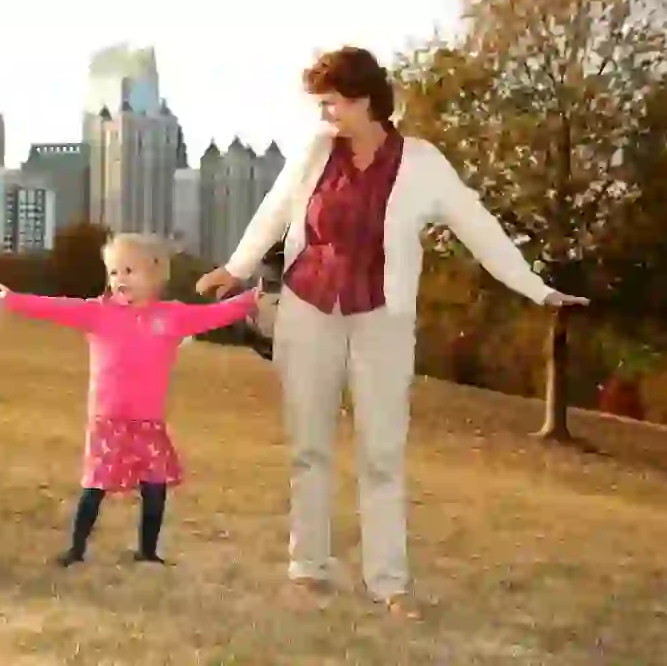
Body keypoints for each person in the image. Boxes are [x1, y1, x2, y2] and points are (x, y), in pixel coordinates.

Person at [195, 47, 589, 617]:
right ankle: (308, 564)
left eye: (330, 105)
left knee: (381, 454)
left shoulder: (422, 162)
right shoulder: (314, 153)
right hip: (308, 310)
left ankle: (389, 583)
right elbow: (276, 211)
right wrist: (235, 268)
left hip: (382, 318)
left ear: (364, 101)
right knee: (310, 448)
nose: (324, 117)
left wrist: (539, 289)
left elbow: (478, 226)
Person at [0, 234, 259, 567]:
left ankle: (147, 552)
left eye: (129, 270)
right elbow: (54, 306)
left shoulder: (172, 316)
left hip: (148, 421)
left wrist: (250, 299)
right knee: (95, 486)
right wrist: (13, 300)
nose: (120, 279)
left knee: (155, 484)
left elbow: (216, 314)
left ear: (157, 274)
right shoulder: (97, 313)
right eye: (114, 271)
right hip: (107, 420)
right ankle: (76, 550)